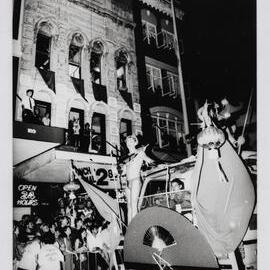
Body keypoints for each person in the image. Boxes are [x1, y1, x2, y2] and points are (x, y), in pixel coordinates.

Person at [122, 134, 154, 223]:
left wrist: (151, 162)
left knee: (134, 205)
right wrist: (118, 170)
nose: (129, 143)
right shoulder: (126, 157)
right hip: (128, 182)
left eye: (131, 141)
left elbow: (149, 160)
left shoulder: (140, 153)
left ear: (135, 142)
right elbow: (124, 172)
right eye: (128, 141)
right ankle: (129, 229)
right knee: (129, 206)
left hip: (135, 180)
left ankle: (134, 229)